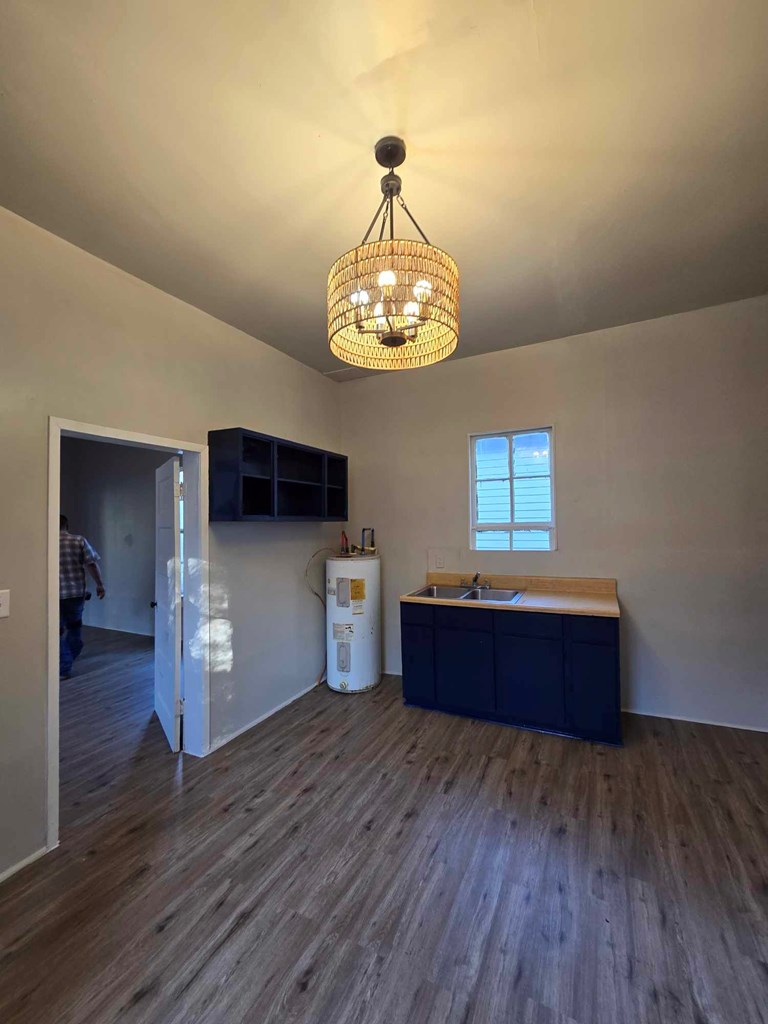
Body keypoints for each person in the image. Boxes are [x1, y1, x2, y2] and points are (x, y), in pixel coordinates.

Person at [59, 514, 105, 680]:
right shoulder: (78, 540)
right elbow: (91, 563)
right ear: (67, 525)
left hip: (53, 595)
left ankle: (64, 665)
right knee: (75, 627)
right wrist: (100, 584)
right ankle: (68, 659)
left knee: (56, 632)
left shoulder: (47, 542)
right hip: (76, 593)